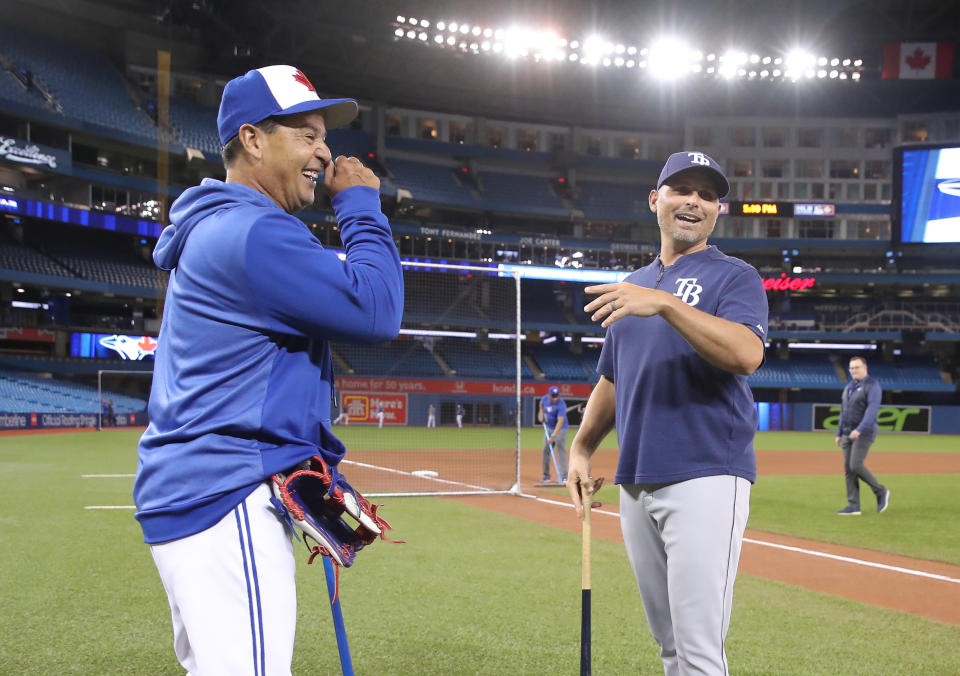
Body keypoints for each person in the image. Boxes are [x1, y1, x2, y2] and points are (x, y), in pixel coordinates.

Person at [132, 65, 404, 675]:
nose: (324, 151)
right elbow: (379, 307)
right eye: (306, 134)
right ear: (252, 139)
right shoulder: (252, 232)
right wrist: (360, 205)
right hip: (226, 496)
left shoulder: (221, 225)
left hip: (200, 492)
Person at [567, 151, 768, 676]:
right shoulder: (633, 285)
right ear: (656, 200)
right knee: (671, 647)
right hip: (635, 480)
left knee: (700, 652)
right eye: (682, 189)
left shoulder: (734, 276)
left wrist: (666, 303)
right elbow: (612, 378)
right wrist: (582, 447)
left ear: (717, 212)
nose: (694, 202)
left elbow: (747, 354)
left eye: (706, 195)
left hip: (706, 473)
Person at [836, 356, 889, 515]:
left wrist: (859, 429)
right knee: (848, 470)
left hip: (863, 433)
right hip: (847, 433)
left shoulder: (872, 386)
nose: (854, 371)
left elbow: (872, 411)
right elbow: (843, 411)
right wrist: (839, 433)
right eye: (851, 368)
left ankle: (880, 491)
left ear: (865, 368)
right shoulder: (849, 387)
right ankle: (853, 506)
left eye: (857, 367)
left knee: (855, 465)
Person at [539, 385, 569, 483]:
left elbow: (560, 422)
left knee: (561, 451)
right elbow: (541, 404)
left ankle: (564, 476)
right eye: (553, 396)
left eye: (556, 395)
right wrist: (542, 414)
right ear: (549, 395)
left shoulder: (561, 404)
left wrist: (553, 436)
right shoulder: (544, 399)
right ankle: (546, 476)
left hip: (561, 429)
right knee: (545, 450)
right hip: (549, 427)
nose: (555, 398)